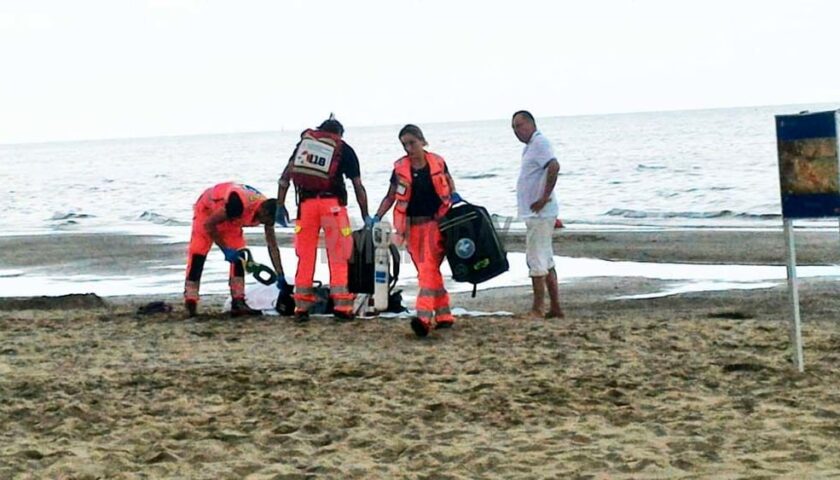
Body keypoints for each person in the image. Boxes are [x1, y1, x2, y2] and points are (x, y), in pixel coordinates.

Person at [276, 115, 370, 322]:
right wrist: (365, 215)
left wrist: (280, 206)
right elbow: (357, 186)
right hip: (333, 207)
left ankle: (301, 306)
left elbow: (284, 179)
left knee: (305, 256)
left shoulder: (305, 145)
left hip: (306, 207)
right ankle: (342, 305)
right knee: (338, 255)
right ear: (340, 134)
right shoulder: (344, 149)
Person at [372, 124, 461, 337]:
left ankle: (422, 318)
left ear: (422, 140)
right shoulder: (400, 169)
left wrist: (456, 199)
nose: (409, 148)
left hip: (436, 225)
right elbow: (391, 196)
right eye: (405, 145)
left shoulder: (438, 162)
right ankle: (444, 315)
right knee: (427, 271)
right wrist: (377, 216)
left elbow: (449, 184)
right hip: (411, 228)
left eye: (412, 143)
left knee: (427, 269)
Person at [184, 182, 284, 317]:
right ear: (264, 211)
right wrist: (225, 250)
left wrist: (280, 274)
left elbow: (272, 245)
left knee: (240, 256)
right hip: (208, 211)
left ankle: (238, 302)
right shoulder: (238, 204)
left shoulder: (268, 210)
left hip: (232, 220)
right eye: (268, 221)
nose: (268, 224)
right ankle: (191, 302)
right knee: (198, 254)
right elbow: (209, 225)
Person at [512, 110, 564, 319]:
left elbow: (554, 166)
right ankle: (555, 307)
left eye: (520, 125)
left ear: (531, 124)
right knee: (546, 259)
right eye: (514, 127)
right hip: (535, 213)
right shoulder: (530, 147)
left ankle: (538, 308)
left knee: (536, 259)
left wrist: (544, 197)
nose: (517, 130)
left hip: (540, 214)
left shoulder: (540, 143)